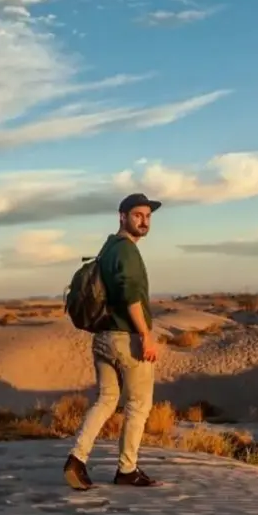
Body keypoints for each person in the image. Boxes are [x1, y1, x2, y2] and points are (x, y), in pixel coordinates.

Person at [63, 193, 163, 490]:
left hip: (102, 338)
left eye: (147, 216)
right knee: (138, 405)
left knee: (106, 400)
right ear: (122, 217)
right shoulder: (126, 251)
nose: (144, 221)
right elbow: (130, 295)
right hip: (125, 339)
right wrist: (145, 336)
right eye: (137, 215)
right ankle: (127, 470)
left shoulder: (107, 248)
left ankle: (76, 459)